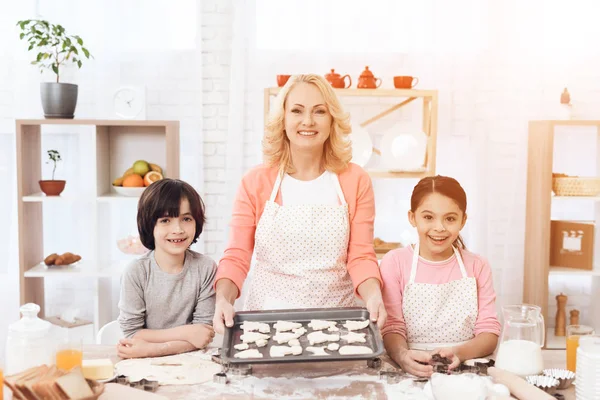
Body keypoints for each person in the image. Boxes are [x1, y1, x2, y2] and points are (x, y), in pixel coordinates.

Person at [213, 74, 387, 333]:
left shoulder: (355, 180)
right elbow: (237, 255)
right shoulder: (255, 182)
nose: (308, 121)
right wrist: (222, 300)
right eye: (297, 111)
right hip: (266, 321)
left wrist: (374, 297)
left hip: (336, 322)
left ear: (332, 121)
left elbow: (361, 256)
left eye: (319, 111)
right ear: (282, 119)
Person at [381, 175, 500, 377]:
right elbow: (392, 326)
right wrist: (402, 356)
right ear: (412, 218)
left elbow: (489, 332)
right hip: (409, 369)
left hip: (465, 370)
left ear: (463, 220)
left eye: (450, 218)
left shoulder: (477, 265)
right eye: (428, 217)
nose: (439, 228)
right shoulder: (395, 262)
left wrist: (458, 353)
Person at [117, 178, 217, 358]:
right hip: (142, 363)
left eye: (186, 219)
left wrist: (151, 348)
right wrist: (187, 333)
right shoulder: (136, 272)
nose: (177, 229)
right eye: (165, 220)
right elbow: (132, 333)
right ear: (150, 224)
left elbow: (203, 334)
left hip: (191, 361)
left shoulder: (206, 268)